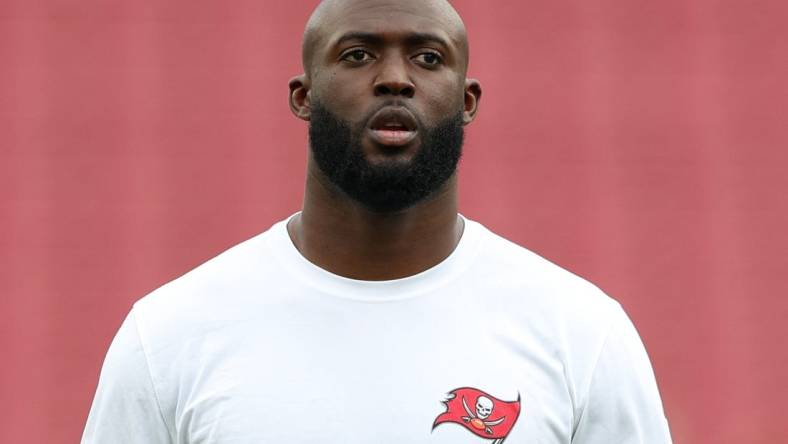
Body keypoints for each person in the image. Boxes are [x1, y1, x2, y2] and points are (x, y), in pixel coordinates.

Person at [81, 0, 673, 442]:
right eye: (358, 54)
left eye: (428, 57)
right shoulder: (170, 336)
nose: (395, 77)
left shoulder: (581, 334)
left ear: (466, 100)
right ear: (303, 95)